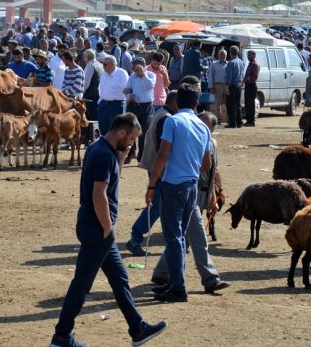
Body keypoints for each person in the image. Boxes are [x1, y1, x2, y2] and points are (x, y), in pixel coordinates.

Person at [50, 113, 167, 347]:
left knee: (120, 278)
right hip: (98, 228)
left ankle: (137, 329)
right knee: (81, 284)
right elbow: (99, 195)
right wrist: (107, 228)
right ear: (121, 133)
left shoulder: (99, 148)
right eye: (132, 138)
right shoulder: (104, 155)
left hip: (97, 228)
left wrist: (121, 157)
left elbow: (111, 182)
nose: (132, 143)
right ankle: (62, 335)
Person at [150, 111, 230, 294]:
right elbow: (162, 155)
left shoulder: (208, 142)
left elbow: (211, 171)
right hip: (185, 189)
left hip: (192, 191)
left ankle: (163, 273)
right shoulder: (182, 131)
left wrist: (212, 197)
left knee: (180, 237)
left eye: (206, 127)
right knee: (190, 236)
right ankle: (209, 278)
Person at [146, 83, 212, 302]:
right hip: (192, 184)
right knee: (180, 237)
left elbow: (163, 154)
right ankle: (175, 283)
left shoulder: (173, 121)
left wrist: (152, 184)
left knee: (174, 238)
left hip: (173, 184)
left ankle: (177, 287)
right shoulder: (203, 126)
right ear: (196, 102)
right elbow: (206, 163)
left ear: (176, 102)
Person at [126, 91, 178, 256]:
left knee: (162, 205)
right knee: (157, 206)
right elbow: (162, 149)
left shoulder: (160, 113)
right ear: (174, 103)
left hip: (155, 166)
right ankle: (135, 237)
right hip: (159, 168)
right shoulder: (166, 118)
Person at [124, 56, 156, 162]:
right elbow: (128, 90)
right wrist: (129, 96)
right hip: (133, 105)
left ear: (143, 66)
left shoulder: (151, 75)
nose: (134, 68)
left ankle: (141, 156)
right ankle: (130, 153)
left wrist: (143, 74)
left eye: (137, 66)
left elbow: (150, 86)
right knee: (130, 130)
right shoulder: (132, 76)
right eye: (133, 66)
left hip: (146, 106)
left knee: (144, 132)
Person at [97, 55, 128, 135]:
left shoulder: (122, 73)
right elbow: (101, 88)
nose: (103, 66)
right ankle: (105, 146)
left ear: (112, 64)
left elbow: (126, 89)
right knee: (103, 128)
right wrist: (100, 102)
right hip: (104, 104)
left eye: (105, 64)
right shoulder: (104, 74)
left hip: (117, 105)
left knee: (116, 129)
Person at [224, 46, 243, 128]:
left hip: (232, 85)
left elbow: (229, 76)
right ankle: (239, 122)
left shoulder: (231, 63)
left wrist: (226, 87)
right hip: (239, 85)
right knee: (238, 105)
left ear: (230, 52)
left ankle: (232, 123)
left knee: (231, 105)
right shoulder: (241, 62)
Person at [207, 49, 227, 123]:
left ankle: (227, 119)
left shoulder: (228, 64)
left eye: (223, 54)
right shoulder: (214, 64)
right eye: (221, 54)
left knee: (226, 104)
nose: (222, 56)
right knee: (217, 104)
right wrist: (211, 87)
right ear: (218, 55)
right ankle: (218, 120)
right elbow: (210, 76)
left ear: (226, 55)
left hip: (226, 86)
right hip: (217, 85)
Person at [82, 49, 102, 121]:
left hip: (91, 94)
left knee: (93, 115)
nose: (83, 59)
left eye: (84, 57)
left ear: (88, 57)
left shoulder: (90, 65)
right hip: (99, 93)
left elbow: (86, 82)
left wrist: (82, 93)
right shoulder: (99, 64)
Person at [242, 50, 259, 126]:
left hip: (251, 85)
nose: (249, 57)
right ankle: (248, 120)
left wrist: (246, 79)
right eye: (248, 55)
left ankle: (251, 121)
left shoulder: (255, 65)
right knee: (247, 103)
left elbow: (254, 77)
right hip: (248, 86)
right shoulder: (250, 64)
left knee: (251, 104)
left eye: (250, 55)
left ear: (254, 56)